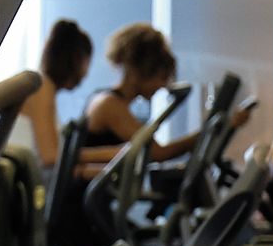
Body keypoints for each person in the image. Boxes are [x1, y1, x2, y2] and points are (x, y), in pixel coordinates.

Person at [78, 21, 190, 175]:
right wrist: (204, 134)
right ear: (142, 71)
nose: (162, 86)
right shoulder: (109, 104)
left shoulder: (111, 100)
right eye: (161, 77)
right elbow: (158, 153)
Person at [20, 18, 93, 173]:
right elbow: (50, 156)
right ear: (76, 59)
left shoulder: (43, 87)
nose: (86, 74)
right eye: (87, 62)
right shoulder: (41, 87)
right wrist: (108, 157)